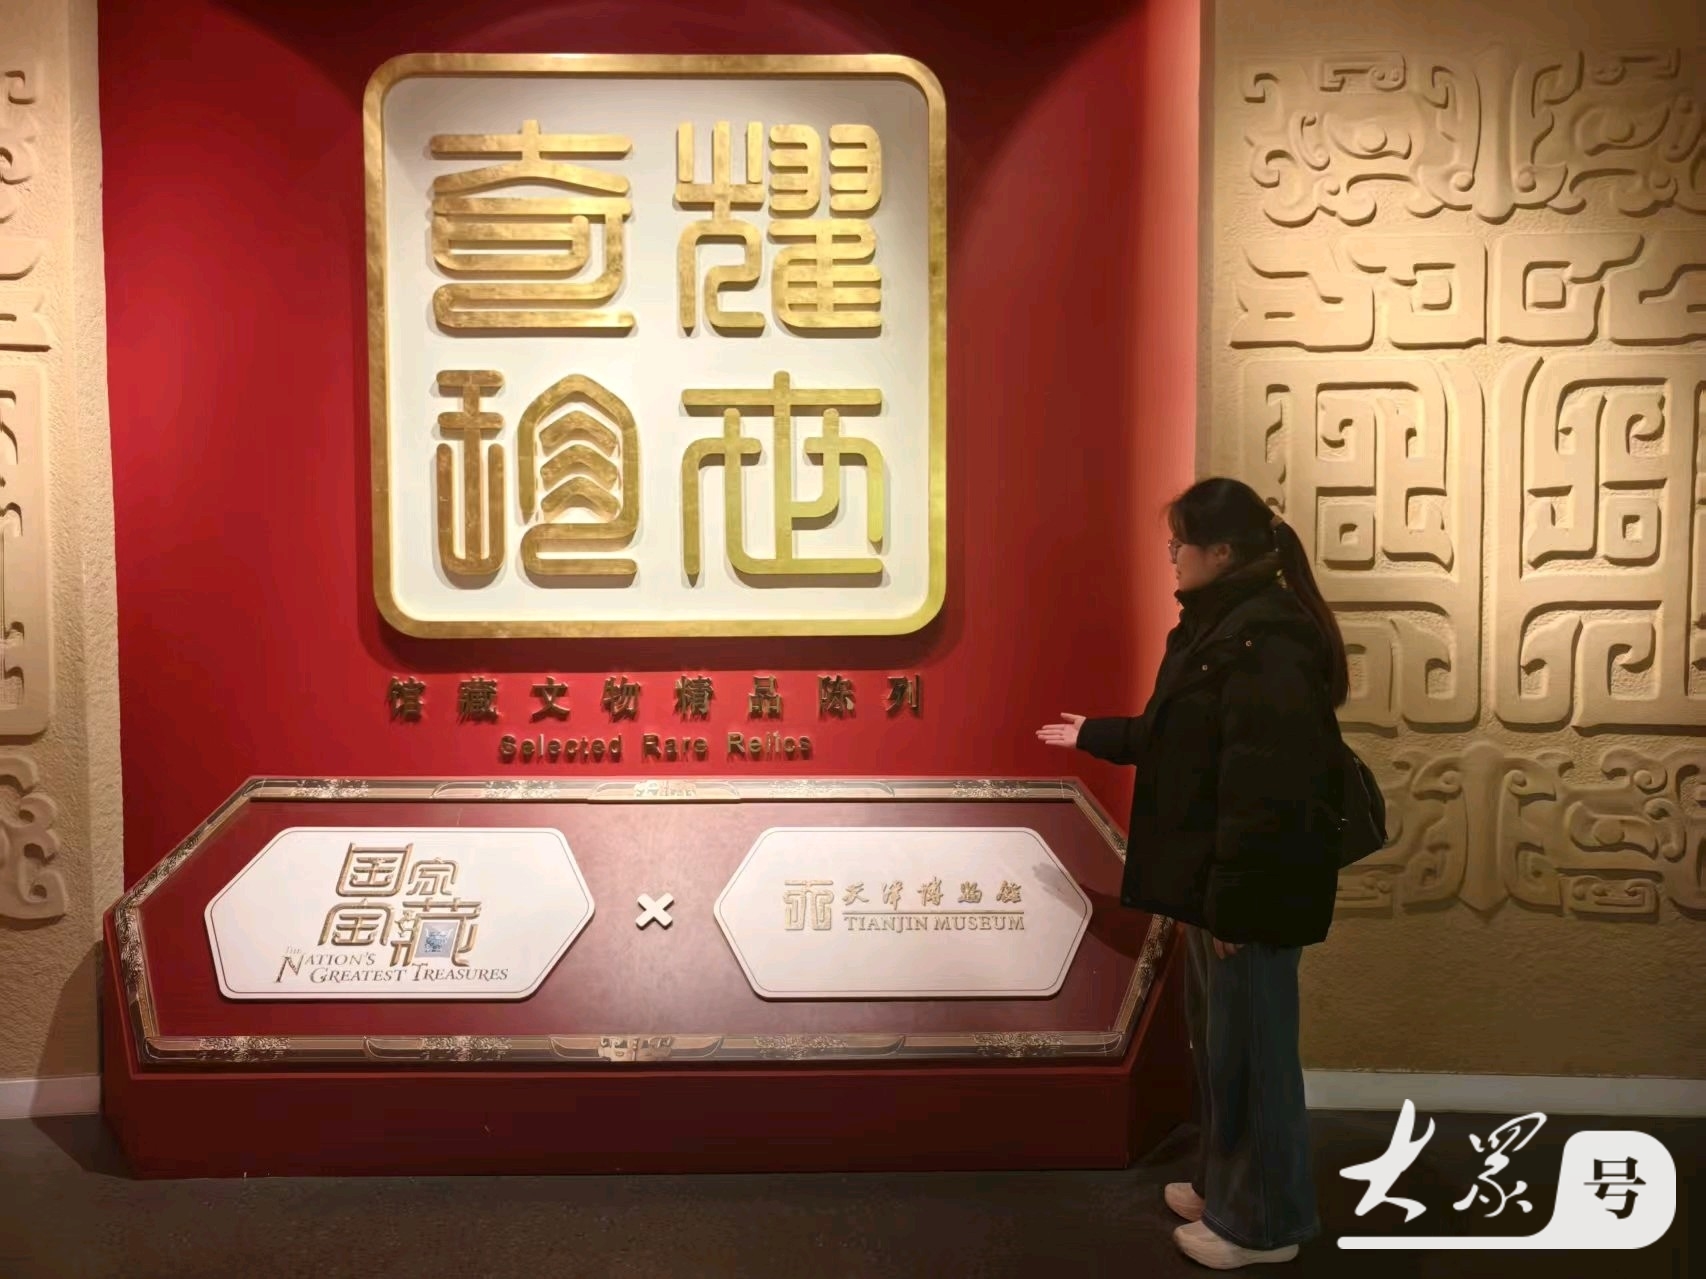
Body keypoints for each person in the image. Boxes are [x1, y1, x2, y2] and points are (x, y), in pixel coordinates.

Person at [1036, 476, 1347, 1270]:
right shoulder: (1218, 626)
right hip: (1216, 888)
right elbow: (1175, 735)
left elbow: (1266, 787)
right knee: (1221, 1051)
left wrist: (1238, 905)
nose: (1171, 555)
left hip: (1250, 893)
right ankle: (1226, 1189)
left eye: (1180, 543)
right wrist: (1095, 733)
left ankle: (1266, 1224)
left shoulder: (1267, 640)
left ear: (1223, 551)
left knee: (1256, 1057)